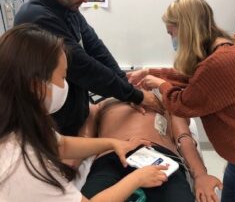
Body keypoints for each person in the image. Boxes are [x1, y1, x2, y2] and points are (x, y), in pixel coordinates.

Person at [128, 0, 235, 202]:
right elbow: (193, 78)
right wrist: (151, 72)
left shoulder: (222, 61)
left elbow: (183, 104)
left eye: (172, 33)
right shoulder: (219, 52)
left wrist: (160, 84)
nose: (172, 40)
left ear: (187, 29)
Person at [0, 24, 169, 202]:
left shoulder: (20, 124)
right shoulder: (23, 165)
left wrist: (113, 143)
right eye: (63, 77)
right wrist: (137, 179)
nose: (65, 86)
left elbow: (61, 145)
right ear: (37, 85)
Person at [14, 0, 156, 136]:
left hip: (77, 118)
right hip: (52, 130)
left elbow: (95, 47)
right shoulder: (36, 17)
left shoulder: (67, 8)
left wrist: (125, 84)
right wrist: (136, 95)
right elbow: (83, 66)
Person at [80, 97, 222, 202]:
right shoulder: (102, 105)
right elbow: (84, 141)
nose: (136, 84)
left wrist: (200, 175)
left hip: (161, 160)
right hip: (113, 157)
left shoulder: (167, 104)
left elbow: (184, 139)